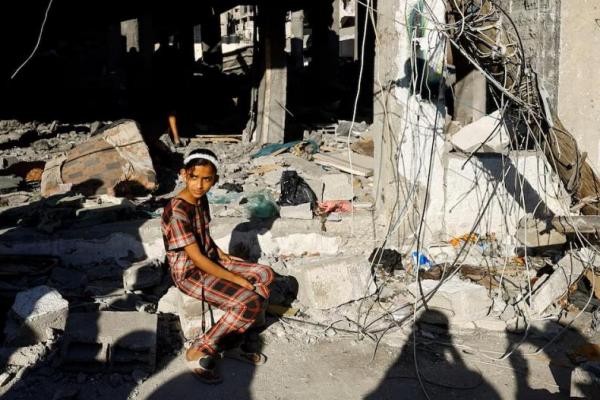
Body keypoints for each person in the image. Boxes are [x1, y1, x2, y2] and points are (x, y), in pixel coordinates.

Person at [160, 149, 274, 383]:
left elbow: (203, 236)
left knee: (265, 273)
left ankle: (230, 344)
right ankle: (198, 350)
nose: (199, 185)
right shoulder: (178, 213)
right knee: (249, 301)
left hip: (210, 261)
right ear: (183, 175)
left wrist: (222, 254)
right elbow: (197, 258)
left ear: (215, 179)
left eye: (206, 179)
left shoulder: (200, 200)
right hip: (191, 273)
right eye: (194, 177)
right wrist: (237, 280)